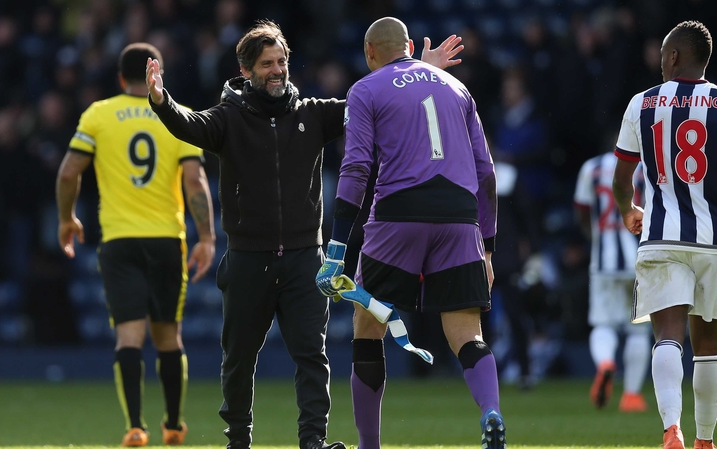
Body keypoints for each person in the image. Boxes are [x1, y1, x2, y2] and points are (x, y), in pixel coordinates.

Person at [145, 19, 463, 449]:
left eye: (281, 61)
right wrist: (162, 101)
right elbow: (190, 125)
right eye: (267, 64)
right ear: (246, 71)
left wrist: (414, 71)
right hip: (247, 258)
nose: (277, 70)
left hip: (303, 257)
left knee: (313, 357)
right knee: (239, 359)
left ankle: (313, 440)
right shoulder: (228, 119)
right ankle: (238, 440)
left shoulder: (313, 113)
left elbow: (372, 100)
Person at [315, 17, 505, 449]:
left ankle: (370, 445)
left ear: (368, 53)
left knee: (368, 328)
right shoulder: (457, 88)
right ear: (406, 46)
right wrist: (488, 248)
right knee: (467, 335)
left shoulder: (364, 90)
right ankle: (491, 412)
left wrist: (338, 247)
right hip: (459, 218)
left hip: (398, 216)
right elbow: (486, 174)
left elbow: (356, 167)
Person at [611, 20, 717, 449]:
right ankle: (706, 441)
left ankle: (672, 429)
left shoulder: (643, 104)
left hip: (662, 236)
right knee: (708, 346)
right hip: (713, 240)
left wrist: (626, 208)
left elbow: (622, 174)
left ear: (672, 57)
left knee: (668, 334)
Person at [56, 42, 216, 447]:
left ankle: (134, 427)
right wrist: (208, 236)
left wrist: (66, 218)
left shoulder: (98, 114)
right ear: (154, 72)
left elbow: (68, 171)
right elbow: (195, 181)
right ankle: (174, 425)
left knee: (128, 336)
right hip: (166, 238)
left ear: (118, 77)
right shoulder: (176, 115)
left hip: (119, 240)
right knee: (168, 337)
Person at [574, 150, 651, 412]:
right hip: (642, 258)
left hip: (604, 261)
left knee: (603, 324)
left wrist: (594, 237)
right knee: (639, 329)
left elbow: (582, 212)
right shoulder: (649, 167)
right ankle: (631, 395)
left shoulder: (592, 167)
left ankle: (605, 362)